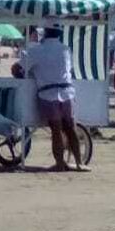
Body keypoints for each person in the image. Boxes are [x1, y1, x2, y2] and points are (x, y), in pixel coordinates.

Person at [21, 25, 85, 171]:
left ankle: (60, 164)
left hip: (48, 94)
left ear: (45, 33)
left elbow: (20, 68)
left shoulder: (36, 50)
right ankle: (79, 163)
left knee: (56, 130)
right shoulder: (66, 49)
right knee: (70, 128)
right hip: (67, 92)